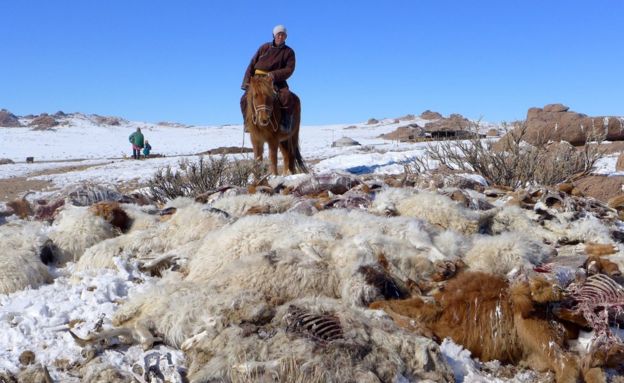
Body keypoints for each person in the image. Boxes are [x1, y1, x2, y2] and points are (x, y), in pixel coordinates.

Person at [240, 24, 296, 133]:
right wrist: (246, 82)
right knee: (244, 99)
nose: (281, 37)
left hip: (275, 80)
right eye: (279, 34)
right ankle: (247, 123)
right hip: (257, 80)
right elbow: (252, 64)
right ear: (274, 35)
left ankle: (285, 123)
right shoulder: (264, 48)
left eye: (283, 35)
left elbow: (289, 69)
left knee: (286, 96)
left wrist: (273, 75)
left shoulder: (289, 52)